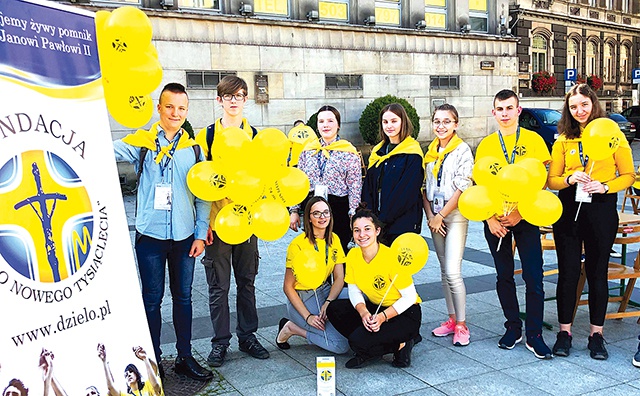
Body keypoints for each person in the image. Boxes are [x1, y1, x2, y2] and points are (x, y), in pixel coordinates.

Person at [113, 83, 213, 380]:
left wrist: (200, 233)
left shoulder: (194, 149)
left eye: (181, 108)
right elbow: (105, 149)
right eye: (169, 106)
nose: (175, 113)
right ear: (159, 108)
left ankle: (184, 356)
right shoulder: (142, 143)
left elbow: (204, 194)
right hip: (150, 237)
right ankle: (153, 359)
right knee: (151, 299)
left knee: (183, 298)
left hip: (184, 237)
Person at [547, 83, 634, 360]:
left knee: (597, 272)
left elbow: (629, 174)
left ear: (593, 104)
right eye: (573, 107)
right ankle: (564, 332)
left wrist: (606, 186)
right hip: (569, 208)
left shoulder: (613, 136)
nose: (579, 110)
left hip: (601, 207)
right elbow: (552, 180)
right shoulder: (563, 139)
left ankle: (597, 334)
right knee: (568, 273)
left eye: (584, 105)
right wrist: (570, 179)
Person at [194, 76, 269, 368]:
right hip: (217, 224)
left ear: (245, 99)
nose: (234, 100)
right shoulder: (207, 136)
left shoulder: (255, 135)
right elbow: (198, 182)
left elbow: (264, 179)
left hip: (248, 222)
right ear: (219, 100)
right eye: (228, 96)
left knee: (247, 283)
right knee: (218, 287)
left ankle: (248, 337)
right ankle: (220, 343)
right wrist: (204, 225)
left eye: (239, 95)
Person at [475, 89, 552, 359]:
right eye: (500, 109)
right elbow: (479, 184)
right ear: (493, 112)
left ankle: (535, 333)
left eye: (510, 108)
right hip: (496, 219)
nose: (505, 113)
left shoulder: (533, 140)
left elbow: (542, 178)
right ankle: (513, 327)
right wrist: (489, 218)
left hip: (526, 216)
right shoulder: (486, 145)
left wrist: (520, 211)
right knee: (503, 275)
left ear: (519, 110)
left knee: (534, 275)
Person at [326, 207, 422, 369]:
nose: (362, 235)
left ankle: (402, 344)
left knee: (356, 342)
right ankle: (371, 343)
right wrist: (363, 312)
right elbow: (354, 289)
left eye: (367, 229)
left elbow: (410, 297)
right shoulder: (353, 256)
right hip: (375, 306)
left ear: (377, 230)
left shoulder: (392, 257)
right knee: (334, 309)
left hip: (405, 313)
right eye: (357, 230)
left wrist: (383, 317)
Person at [422, 104, 474, 346]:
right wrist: (431, 215)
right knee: (443, 271)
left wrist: (441, 214)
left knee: (453, 271)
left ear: (456, 124)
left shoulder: (462, 150)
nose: (440, 126)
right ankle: (451, 319)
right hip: (435, 216)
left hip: (453, 215)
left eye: (446, 121)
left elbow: (463, 187)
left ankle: (462, 325)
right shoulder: (430, 151)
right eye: (437, 121)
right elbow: (423, 188)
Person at [276, 196, 349, 354]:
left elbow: (339, 278)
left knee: (361, 296)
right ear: (308, 217)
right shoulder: (297, 245)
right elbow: (288, 287)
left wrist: (329, 302)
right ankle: (292, 328)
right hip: (304, 297)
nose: (322, 217)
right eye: (316, 213)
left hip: (325, 291)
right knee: (340, 346)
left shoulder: (334, 239)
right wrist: (308, 316)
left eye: (325, 212)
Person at [290, 105, 362, 252]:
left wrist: (353, 213)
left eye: (330, 121)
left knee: (339, 253)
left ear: (338, 125)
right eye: (321, 121)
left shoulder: (348, 151)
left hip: (338, 208)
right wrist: (294, 210)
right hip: (313, 208)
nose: (325, 125)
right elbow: (298, 182)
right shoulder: (307, 151)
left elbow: (355, 185)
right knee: (314, 252)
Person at [361, 103, 424, 245]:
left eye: (394, 121)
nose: (389, 125)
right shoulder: (378, 152)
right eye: (385, 122)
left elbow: (407, 193)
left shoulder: (412, 153)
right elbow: (369, 187)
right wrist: (370, 217)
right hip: (377, 224)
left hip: (402, 223)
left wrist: (382, 220)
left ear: (403, 122)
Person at [97, 344, 163, 396]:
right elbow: (111, 388)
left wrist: (145, 358)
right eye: (126, 375)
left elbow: (154, 370)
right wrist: (104, 361)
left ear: (137, 374)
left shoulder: (147, 385)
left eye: (131, 372)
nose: (128, 374)